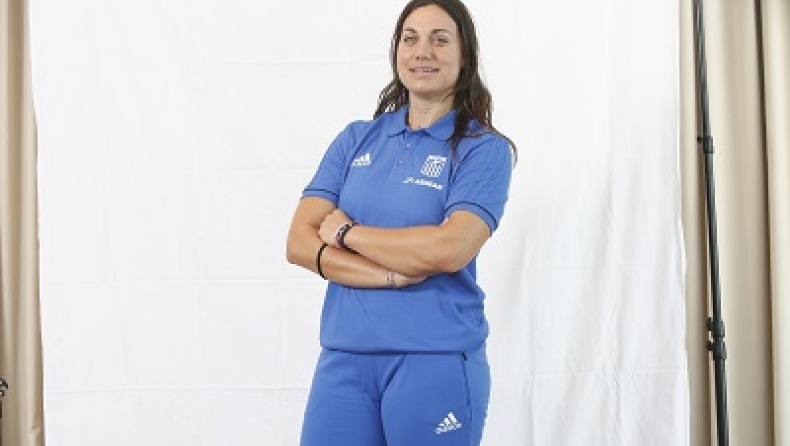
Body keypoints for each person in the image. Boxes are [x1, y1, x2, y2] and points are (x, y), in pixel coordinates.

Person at [286, 0, 516, 444]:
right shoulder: (356, 139)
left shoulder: (482, 149)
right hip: (344, 357)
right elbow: (298, 243)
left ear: (465, 54)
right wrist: (391, 275)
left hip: (434, 358)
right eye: (410, 39)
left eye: (440, 39)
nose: (422, 51)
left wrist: (346, 233)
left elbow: (449, 249)